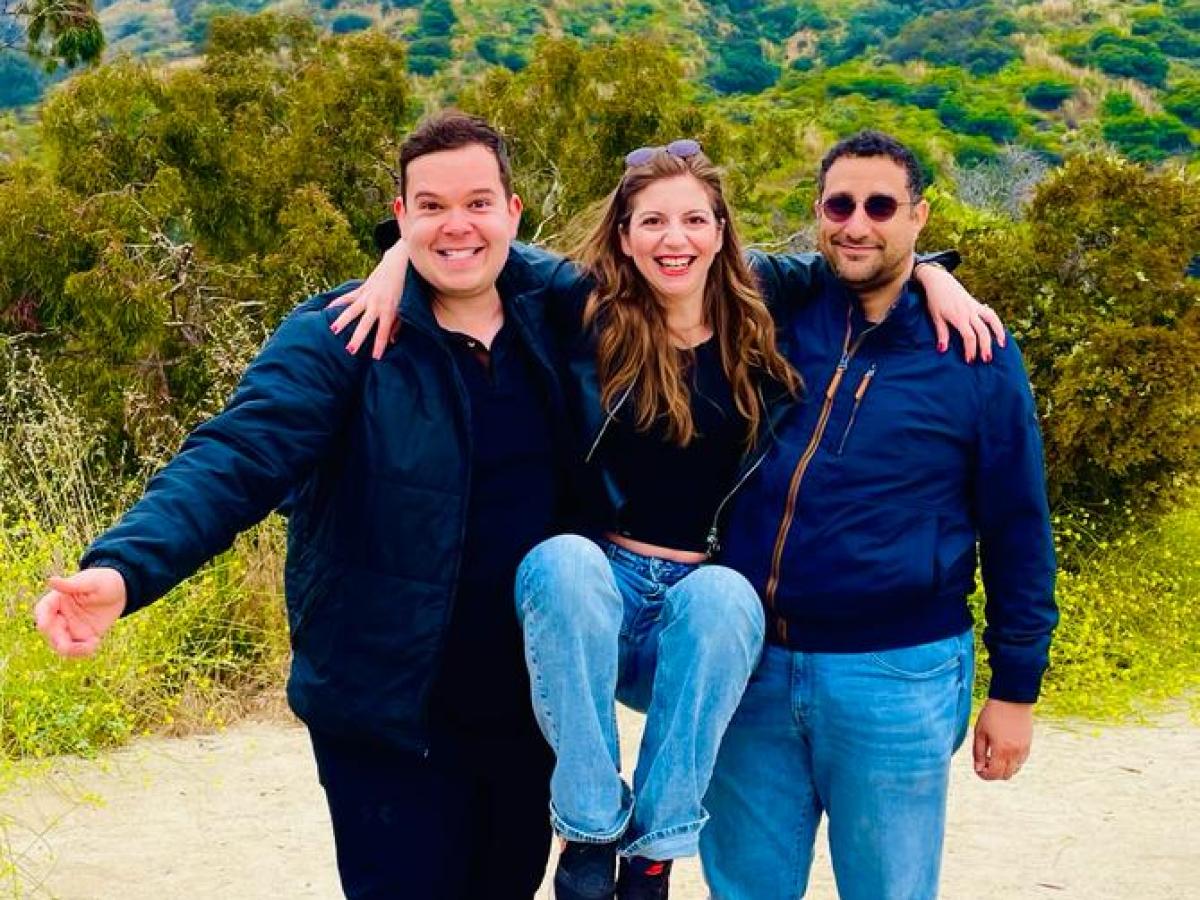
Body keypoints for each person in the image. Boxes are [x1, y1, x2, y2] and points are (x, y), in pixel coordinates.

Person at [335, 137, 1002, 900]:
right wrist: (391, 263)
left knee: (727, 597)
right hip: (595, 603)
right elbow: (479, 250)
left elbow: (853, 258)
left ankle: (652, 853)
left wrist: (930, 273)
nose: (673, 239)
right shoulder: (581, 309)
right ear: (623, 236)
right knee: (561, 559)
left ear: (721, 232)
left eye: (693, 220)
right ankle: (588, 833)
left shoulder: (763, 310)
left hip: (696, 623)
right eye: (651, 222)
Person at [32, 111, 574, 900]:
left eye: (478, 202)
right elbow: (235, 457)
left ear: (514, 212)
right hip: (385, 712)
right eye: (430, 207)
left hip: (526, 708)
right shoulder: (341, 334)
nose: (457, 225)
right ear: (401, 218)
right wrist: (124, 568)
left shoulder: (558, 318)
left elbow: (683, 267)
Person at [697, 130, 1058, 900]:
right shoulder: (782, 309)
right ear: (818, 213)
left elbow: (1019, 524)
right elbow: (661, 258)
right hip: (751, 668)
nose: (857, 223)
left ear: (919, 217)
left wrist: (1015, 689)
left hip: (897, 672)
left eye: (881, 206)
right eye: (840, 204)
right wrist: (398, 257)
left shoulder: (977, 351)